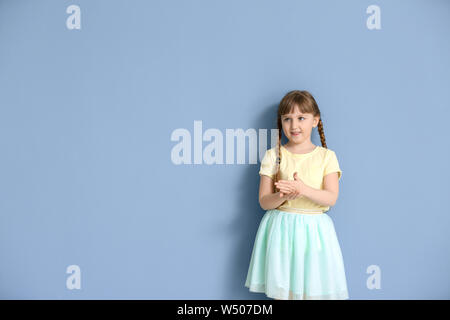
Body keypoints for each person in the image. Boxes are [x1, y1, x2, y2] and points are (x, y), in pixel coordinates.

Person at [244, 90, 349, 300]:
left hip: (314, 233)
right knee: (284, 292)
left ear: (314, 120)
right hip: (281, 230)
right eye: (287, 119)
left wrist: (302, 189)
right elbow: (265, 201)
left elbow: (331, 197)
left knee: (313, 288)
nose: (294, 126)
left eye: (301, 118)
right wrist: (283, 195)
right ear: (281, 122)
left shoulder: (327, 157)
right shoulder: (273, 155)